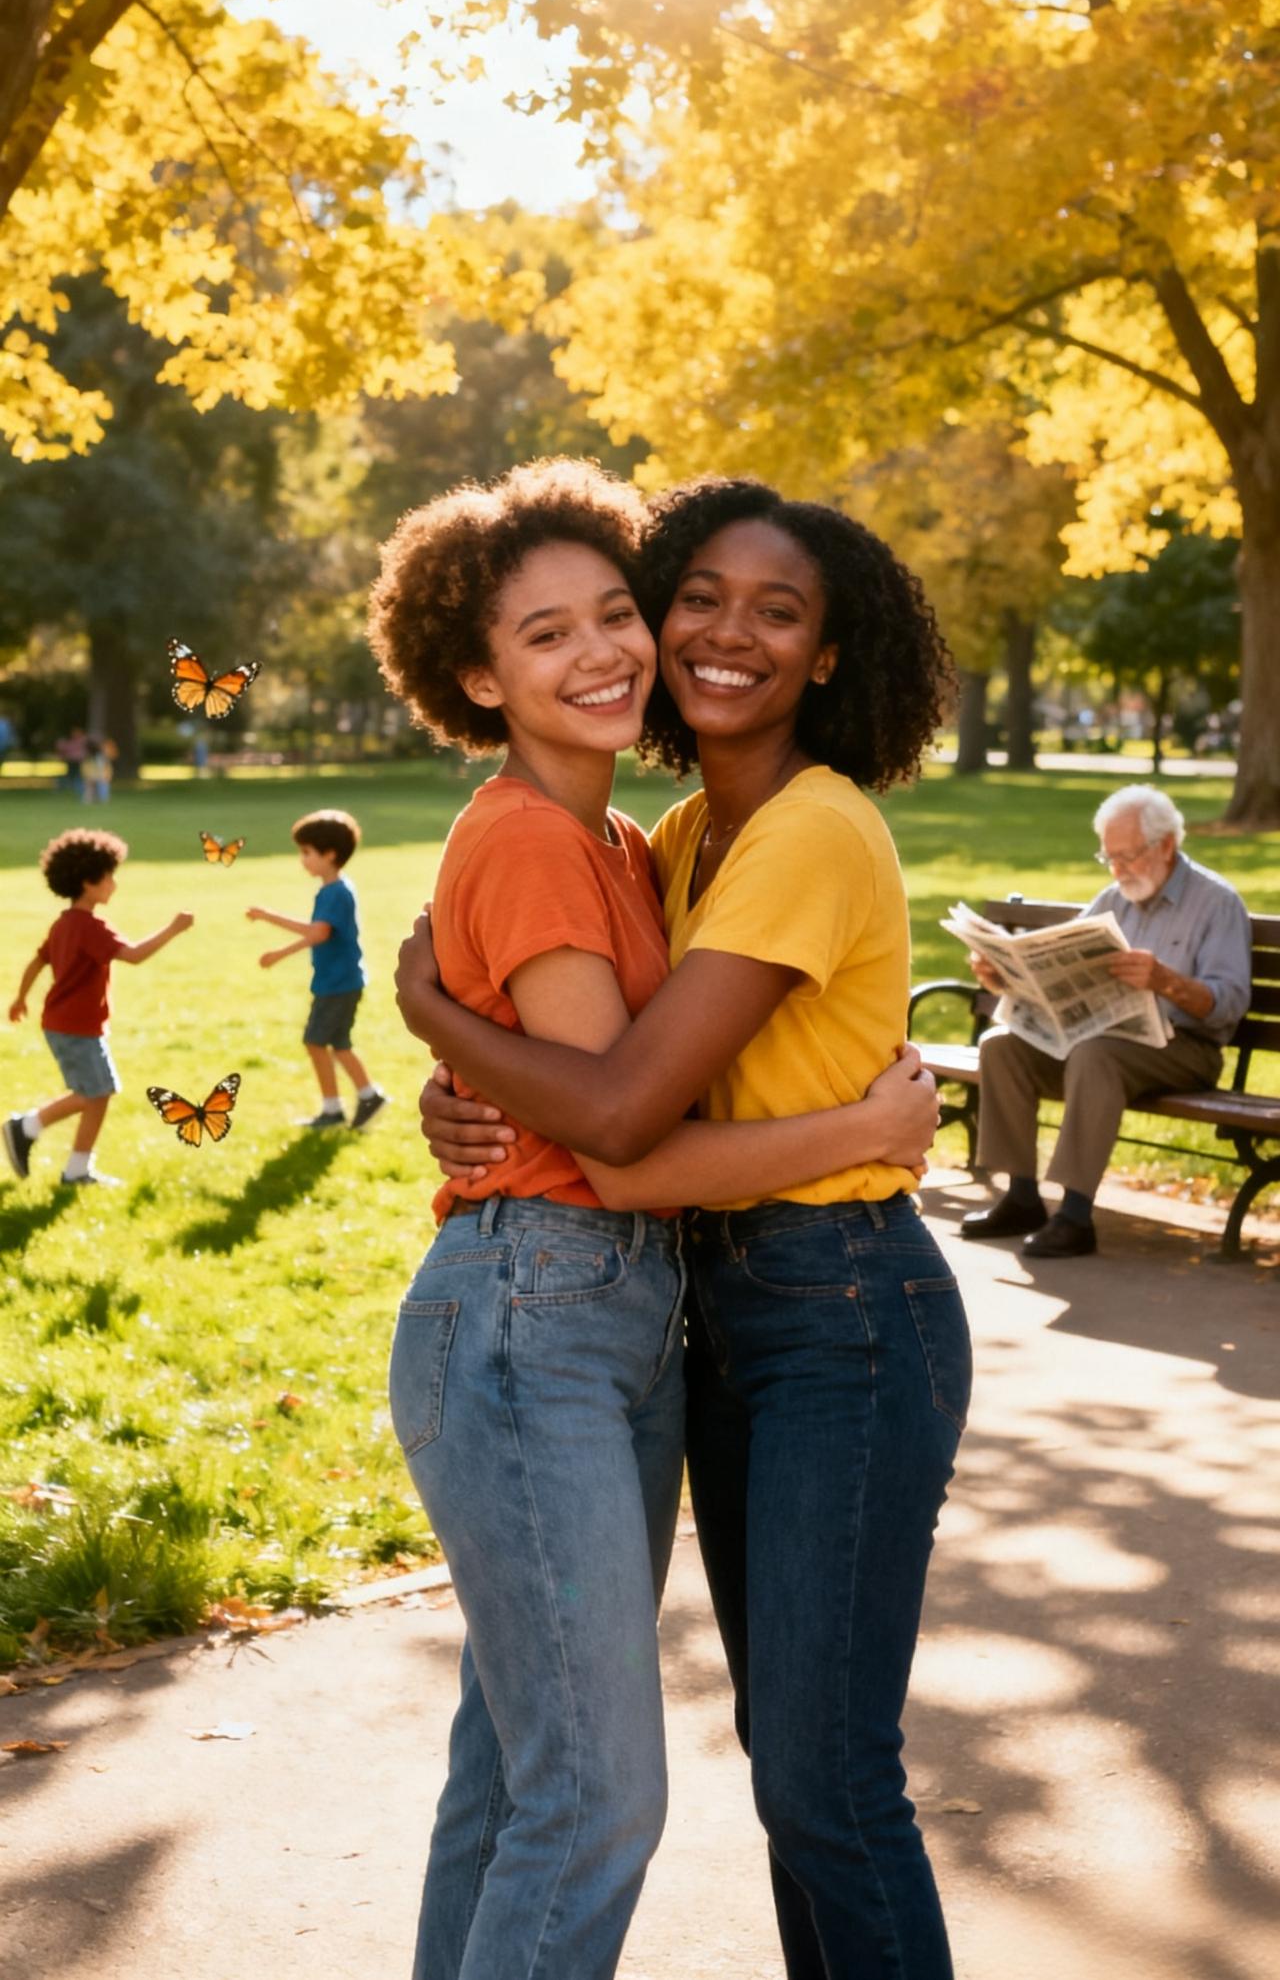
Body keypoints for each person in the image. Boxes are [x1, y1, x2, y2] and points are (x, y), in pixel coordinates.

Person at [366, 459, 940, 1980]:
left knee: (733, 1777)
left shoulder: (710, 836)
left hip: (777, 1303)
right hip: (619, 1299)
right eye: (547, 635)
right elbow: (610, 1117)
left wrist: (445, 1022)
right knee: (597, 1790)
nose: (628, 647)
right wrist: (447, 1035)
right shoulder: (625, 837)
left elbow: (604, 1111)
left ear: (832, 649)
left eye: (615, 611)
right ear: (480, 675)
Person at [961, 783, 1252, 1258]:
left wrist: (1167, 982)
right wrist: (1006, 977)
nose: (1118, 869)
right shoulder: (1113, 899)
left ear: (1166, 845)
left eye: (1128, 856)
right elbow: (1062, 975)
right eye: (1109, 858)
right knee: (1002, 1046)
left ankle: (1075, 1216)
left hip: (1183, 1049)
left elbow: (1229, 1004)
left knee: (1095, 1057)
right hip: (1101, 1041)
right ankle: (1021, 1197)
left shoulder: (1217, 903)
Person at [4, 827, 194, 1188]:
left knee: (99, 1092)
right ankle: (26, 1127)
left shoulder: (64, 924)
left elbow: (36, 962)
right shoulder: (91, 927)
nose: (114, 884)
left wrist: (20, 998)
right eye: (109, 877)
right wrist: (174, 928)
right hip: (74, 1026)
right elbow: (134, 955)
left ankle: (77, 1168)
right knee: (93, 1092)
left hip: (69, 1024)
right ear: (87, 882)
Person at [246, 809, 387, 1131]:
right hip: (339, 981)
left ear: (330, 854)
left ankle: (340, 1106)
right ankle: (360, 1099)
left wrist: (278, 952)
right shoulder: (335, 889)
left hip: (338, 983)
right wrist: (269, 917)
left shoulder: (335, 892)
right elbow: (317, 929)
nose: (302, 859)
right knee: (337, 1044)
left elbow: (318, 933)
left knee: (316, 1041)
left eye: (307, 852)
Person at [79, 734, 113, 803]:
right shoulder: (88, 759)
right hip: (92, 776)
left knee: (102, 784)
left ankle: (101, 799)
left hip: (101, 776)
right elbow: (85, 770)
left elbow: (107, 769)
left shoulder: (102, 758)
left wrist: (105, 776)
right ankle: (88, 800)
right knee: (89, 785)